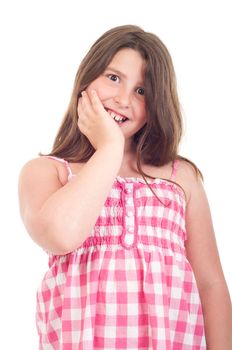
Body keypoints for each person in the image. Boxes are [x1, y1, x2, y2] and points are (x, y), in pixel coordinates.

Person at [18, 25, 232, 349]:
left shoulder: (180, 178)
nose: (122, 99)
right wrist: (109, 149)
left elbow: (211, 283)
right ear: (87, 78)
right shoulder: (47, 172)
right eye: (114, 78)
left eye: (141, 91)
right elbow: (60, 235)